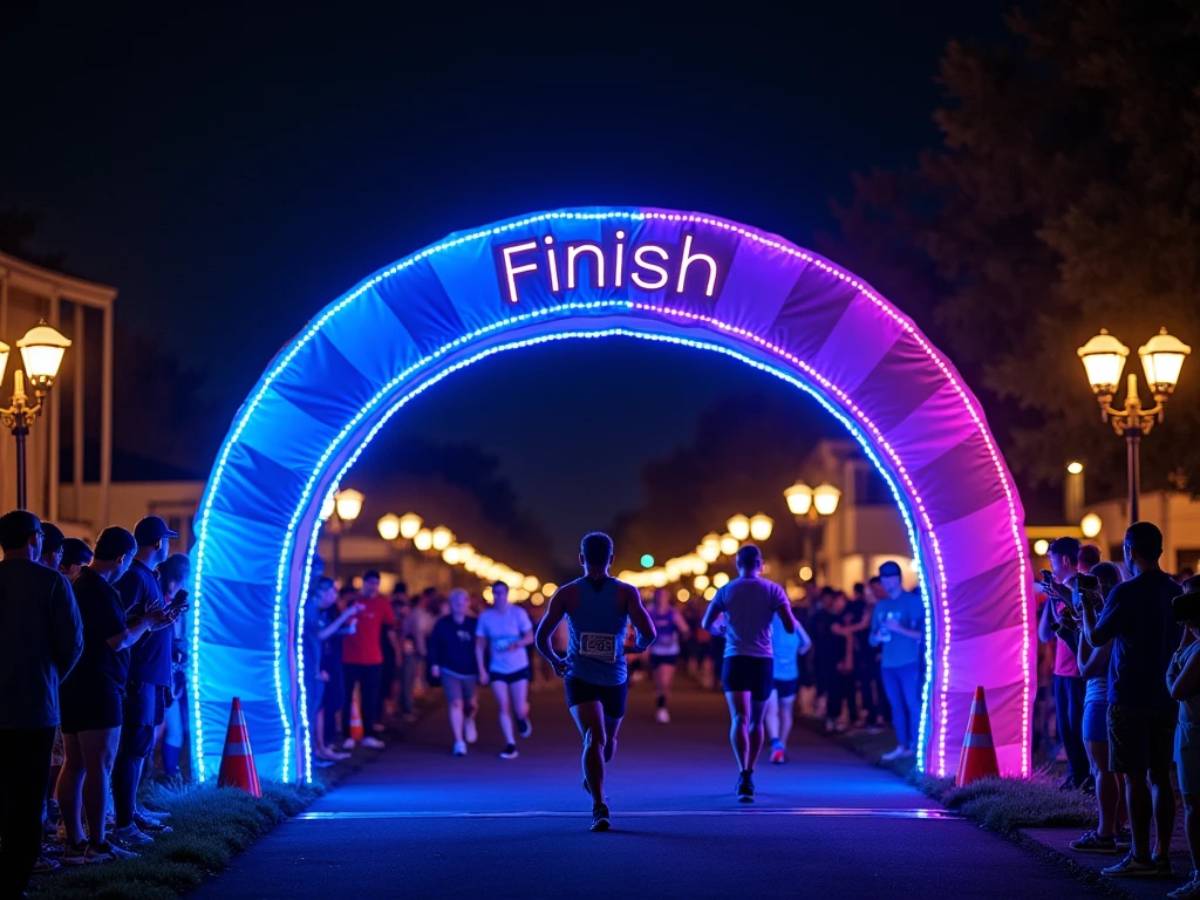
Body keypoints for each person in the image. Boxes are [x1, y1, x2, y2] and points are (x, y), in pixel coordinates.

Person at [58, 526, 176, 865]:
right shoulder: (101, 590)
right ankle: (97, 842)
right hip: (100, 685)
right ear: (123, 557)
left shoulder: (77, 584)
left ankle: (74, 840)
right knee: (100, 765)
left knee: (74, 763)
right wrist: (149, 622)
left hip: (73, 683)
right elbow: (118, 640)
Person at [535, 532, 655, 832]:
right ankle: (599, 805)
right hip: (585, 676)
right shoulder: (626, 593)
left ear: (580, 558)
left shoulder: (567, 593)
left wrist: (554, 660)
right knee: (596, 737)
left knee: (605, 743)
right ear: (612, 559)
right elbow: (649, 633)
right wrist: (635, 647)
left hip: (609, 678)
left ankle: (592, 775)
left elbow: (541, 637)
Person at [1082, 522, 1182, 878]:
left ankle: (1139, 855)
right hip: (1167, 695)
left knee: (1134, 776)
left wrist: (1087, 607)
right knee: (1161, 777)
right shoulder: (1174, 591)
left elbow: (1096, 637)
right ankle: (1162, 854)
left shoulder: (1124, 593)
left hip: (1127, 695)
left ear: (1130, 551)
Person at [0, 510, 82, 894]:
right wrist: (50, 680)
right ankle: (16, 878)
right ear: (34, 540)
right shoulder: (52, 583)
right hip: (35, 707)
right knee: (30, 795)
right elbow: (72, 644)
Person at [702, 544, 799, 803]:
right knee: (757, 720)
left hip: (734, 658)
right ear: (760, 563)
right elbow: (790, 627)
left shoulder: (726, 590)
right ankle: (749, 774)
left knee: (739, 718)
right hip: (762, 661)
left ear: (737, 563)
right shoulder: (773, 590)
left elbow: (706, 623)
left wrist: (723, 630)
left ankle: (741, 771)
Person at [111, 515, 177, 847]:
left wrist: (165, 621)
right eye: (166, 540)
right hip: (138, 676)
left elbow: (145, 623)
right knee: (132, 748)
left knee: (139, 747)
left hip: (150, 674)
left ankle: (131, 811)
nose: (168, 545)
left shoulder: (147, 576)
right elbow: (122, 624)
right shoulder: (135, 577)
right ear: (156, 543)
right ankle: (123, 821)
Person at [1066, 561, 1126, 854]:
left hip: (1099, 698)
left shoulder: (1105, 622)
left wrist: (1080, 634)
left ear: (1099, 589)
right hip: (1114, 698)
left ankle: (1106, 832)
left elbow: (1085, 669)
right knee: (1119, 771)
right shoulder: (1121, 617)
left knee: (1102, 770)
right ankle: (1118, 827)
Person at [1038, 536, 1090, 790]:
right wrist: (1051, 597)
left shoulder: (1081, 588)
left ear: (1066, 560)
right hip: (1061, 670)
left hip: (1077, 671)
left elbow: (1085, 623)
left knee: (1077, 726)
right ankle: (1074, 773)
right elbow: (1044, 634)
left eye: (1052, 558)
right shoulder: (1057, 592)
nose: (1050, 562)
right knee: (1066, 727)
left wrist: (1060, 593)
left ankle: (1083, 775)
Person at [869, 561, 924, 762]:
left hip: (909, 663)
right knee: (896, 706)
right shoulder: (881, 606)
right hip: (888, 664)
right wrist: (877, 636)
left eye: (890, 577)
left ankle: (916, 748)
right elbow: (872, 639)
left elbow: (922, 635)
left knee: (913, 704)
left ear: (898, 578)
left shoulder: (913, 602)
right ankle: (902, 745)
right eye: (884, 577)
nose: (887, 581)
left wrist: (898, 628)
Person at [1167, 576, 1200, 899]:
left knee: (1192, 806)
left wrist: (1175, 655)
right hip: (1191, 731)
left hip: (1194, 735)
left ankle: (1198, 876)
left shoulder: (1197, 649)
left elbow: (1175, 689)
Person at [476, 581, 535, 759]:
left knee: (519, 707)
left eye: (502, 593)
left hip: (518, 666)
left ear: (507, 594)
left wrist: (516, 644)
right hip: (497, 668)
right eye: (496, 593)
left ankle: (522, 718)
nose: (499, 596)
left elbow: (530, 637)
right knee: (503, 705)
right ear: (492, 595)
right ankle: (510, 743)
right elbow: (479, 645)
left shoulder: (518, 613)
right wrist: (482, 670)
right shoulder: (486, 617)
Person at [341, 571, 396, 750]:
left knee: (371, 697)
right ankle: (347, 734)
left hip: (373, 658)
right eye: (370, 582)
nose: (373, 586)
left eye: (376, 583)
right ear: (363, 583)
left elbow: (390, 625)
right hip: (350, 657)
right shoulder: (352, 602)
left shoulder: (382, 603)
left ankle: (369, 734)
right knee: (347, 696)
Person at [428, 588, 480, 755]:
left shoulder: (474, 623)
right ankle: (459, 741)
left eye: (463, 602)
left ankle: (469, 719)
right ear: (451, 605)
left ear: (468, 603)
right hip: (449, 670)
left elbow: (481, 647)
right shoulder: (442, 624)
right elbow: (434, 645)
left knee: (471, 705)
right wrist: (434, 664)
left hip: (471, 671)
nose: (460, 606)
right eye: (456, 602)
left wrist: (484, 668)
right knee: (455, 703)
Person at [155, 553, 190, 782]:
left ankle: (169, 774)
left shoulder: (171, 603)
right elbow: (171, 641)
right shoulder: (164, 604)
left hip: (170, 674)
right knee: (156, 728)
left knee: (171, 728)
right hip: (163, 675)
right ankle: (150, 776)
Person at [766, 599, 812, 763]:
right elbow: (807, 643)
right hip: (790, 673)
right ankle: (782, 745)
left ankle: (776, 743)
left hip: (771, 672)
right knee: (786, 710)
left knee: (771, 710)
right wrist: (797, 653)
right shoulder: (795, 624)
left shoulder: (767, 623)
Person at [647, 587, 690, 723]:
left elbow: (685, 629)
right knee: (659, 682)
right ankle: (661, 701)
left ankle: (662, 708)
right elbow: (642, 629)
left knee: (665, 682)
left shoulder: (673, 613)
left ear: (668, 598)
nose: (661, 599)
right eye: (659, 596)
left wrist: (682, 636)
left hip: (670, 651)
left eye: (664, 596)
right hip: (655, 651)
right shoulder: (650, 612)